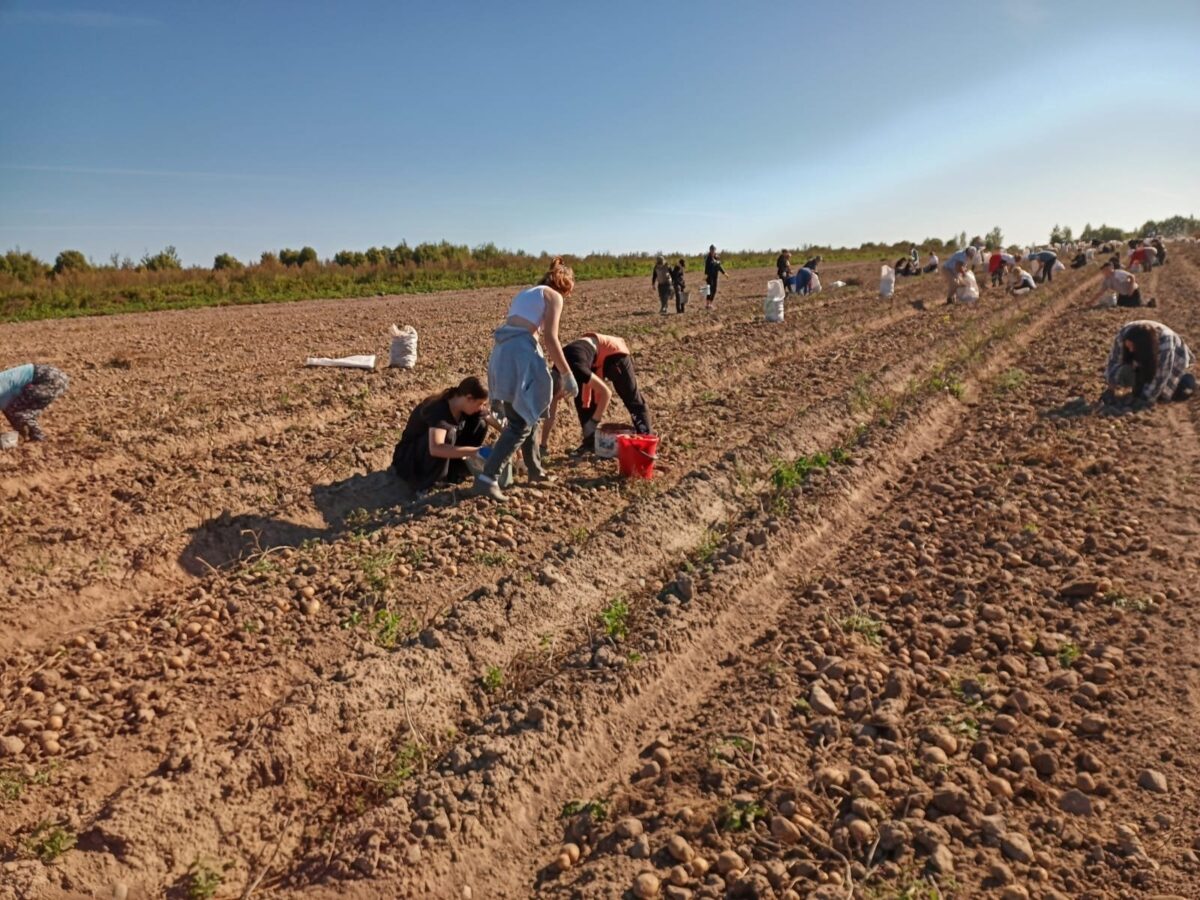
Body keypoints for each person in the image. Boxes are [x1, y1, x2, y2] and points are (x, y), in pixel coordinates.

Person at [468, 257, 579, 501]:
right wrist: (567, 374)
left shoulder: (528, 293)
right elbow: (551, 338)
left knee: (530, 415)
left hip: (501, 353)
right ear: (565, 284)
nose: (568, 296)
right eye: (569, 290)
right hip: (519, 354)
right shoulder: (553, 296)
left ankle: (535, 472)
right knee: (520, 424)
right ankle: (488, 478)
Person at [542, 333, 653, 454]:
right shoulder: (557, 372)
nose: (562, 398)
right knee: (583, 402)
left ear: (564, 383)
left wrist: (594, 421)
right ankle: (590, 443)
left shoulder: (578, 369)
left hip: (613, 353)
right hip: (590, 359)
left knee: (631, 397)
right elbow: (550, 413)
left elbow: (606, 393)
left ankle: (646, 441)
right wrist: (543, 445)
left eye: (561, 395)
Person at [392, 377, 493, 493]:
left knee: (480, 423)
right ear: (469, 398)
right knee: (448, 433)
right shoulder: (439, 410)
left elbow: (490, 419)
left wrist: (509, 437)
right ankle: (431, 483)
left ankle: (455, 471)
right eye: (480, 403)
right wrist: (475, 451)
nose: (482, 407)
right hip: (410, 459)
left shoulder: (463, 405)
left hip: (431, 453)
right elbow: (436, 448)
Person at [1104, 320, 1195, 404]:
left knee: (1177, 392)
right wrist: (1110, 389)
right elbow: (1115, 361)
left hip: (1174, 363)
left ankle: (1187, 380)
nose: (1130, 350)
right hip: (1145, 360)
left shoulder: (1165, 342)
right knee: (1133, 383)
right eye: (1128, 347)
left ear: (1142, 345)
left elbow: (1162, 374)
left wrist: (1145, 400)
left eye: (1132, 347)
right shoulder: (1122, 336)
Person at [1, 363, 69, 442]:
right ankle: (27, 436)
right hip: (52, 376)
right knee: (14, 410)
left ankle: (38, 438)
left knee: (17, 411)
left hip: (48, 379)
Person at [704, 245, 727, 310]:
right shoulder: (708, 258)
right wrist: (705, 275)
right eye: (711, 250)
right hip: (709, 277)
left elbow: (719, 266)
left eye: (713, 250)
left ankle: (710, 304)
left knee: (714, 290)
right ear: (710, 250)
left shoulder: (717, 257)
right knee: (709, 290)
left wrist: (724, 273)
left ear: (715, 250)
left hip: (715, 277)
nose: (712, 251)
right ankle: (707, 305)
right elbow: (706, 268)